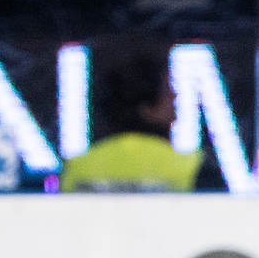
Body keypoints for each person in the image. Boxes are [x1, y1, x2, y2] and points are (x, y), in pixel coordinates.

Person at [60, 43, 201, 193]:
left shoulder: (78, 167)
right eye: (167, 91)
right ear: (146, 108)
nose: (174, 95)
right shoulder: (189, 166)